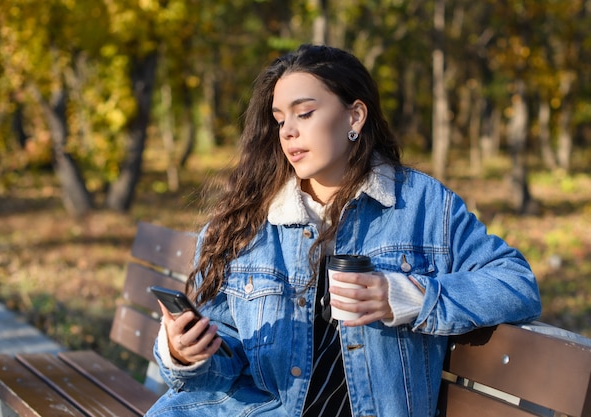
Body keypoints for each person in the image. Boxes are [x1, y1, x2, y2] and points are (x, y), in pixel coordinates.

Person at [145, 44, 541, 417]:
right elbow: (222, 360)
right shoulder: (248, 219)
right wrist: (186, 352)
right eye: (280, 119)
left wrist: (407, 296)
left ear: (354, 116)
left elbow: (516, 283)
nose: (287, 132)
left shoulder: (422, 204)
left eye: (304, 113)